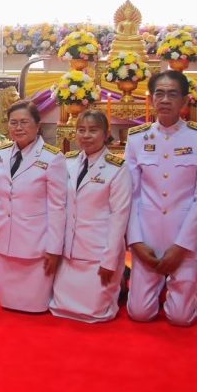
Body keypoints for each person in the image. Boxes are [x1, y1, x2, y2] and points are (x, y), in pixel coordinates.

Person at [125, 70, 197, 326]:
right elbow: (131, 194)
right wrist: (136, 241)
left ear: (185, 100)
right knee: (140, 314)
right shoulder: (137, 138)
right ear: (151, 99)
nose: (165, 100)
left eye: (172, 94)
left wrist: (182, 246)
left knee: (182, 319)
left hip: (184, 239)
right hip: (148, 237)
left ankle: (174, 288)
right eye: (160, 94)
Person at [50, 111, 131, 323]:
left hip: (98, 251)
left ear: (106, 134)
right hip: (70, 251)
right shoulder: (67, 162)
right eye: (81, 130)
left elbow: (119, 217)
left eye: (93, 130)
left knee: (96, 311)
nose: (86, 135)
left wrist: (110, 260)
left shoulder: (117, 168)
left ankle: (121, 277)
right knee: (59, 307)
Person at [0, 100, 67, 312]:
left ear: (37, 125)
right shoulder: (1, 154)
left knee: (35, 305)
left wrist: (54, 248)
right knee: (6, 303)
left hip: (35, 242)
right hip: (4, 238)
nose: (18, 127)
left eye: (24, 122)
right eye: (13, 122)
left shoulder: (53, 158)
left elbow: (58, 207)